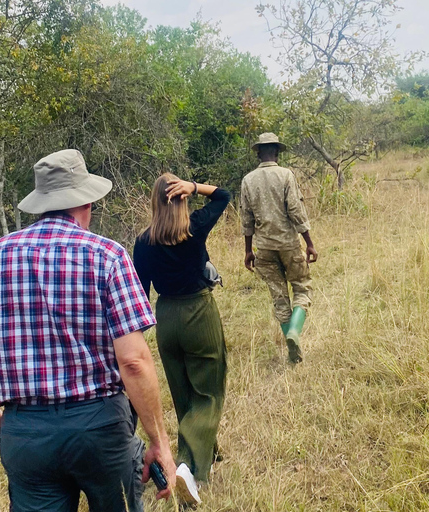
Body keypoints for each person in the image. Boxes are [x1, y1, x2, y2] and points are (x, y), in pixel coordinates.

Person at [0, 149, 176, 512]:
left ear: (40, 204)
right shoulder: (108, 255)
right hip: (100, 428)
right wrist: (159, 442)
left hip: (27, 434)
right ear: (87, 202)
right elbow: (134, 362)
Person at [133, 173, 231, 506]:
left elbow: (140, 294)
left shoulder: (143, 242)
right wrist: (195, 186)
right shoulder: (195, 227)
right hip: (197, 311)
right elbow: (224, 195)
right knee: (208, 393)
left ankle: (207, 452)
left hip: (166, 317)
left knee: (182, 393)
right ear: (183, 199)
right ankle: (189, 470)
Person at [240, 133, 318, 364]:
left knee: (279, 298)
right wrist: (309, 242)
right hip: (289, 245)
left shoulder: (248, 180)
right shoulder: (286, 175)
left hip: (263, 248)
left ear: (258, 153)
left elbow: (246, 219)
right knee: (302, 289)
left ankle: (293, 349)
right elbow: (295, 210)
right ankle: (294, 332)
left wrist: (248, 251)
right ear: (276, 152)